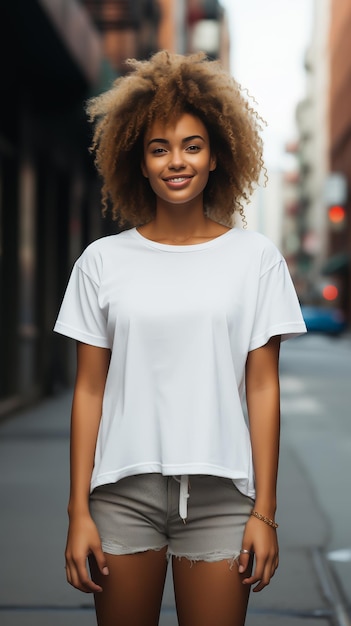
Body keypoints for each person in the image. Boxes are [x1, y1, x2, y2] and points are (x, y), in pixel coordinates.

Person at [54, 50, 306, 626]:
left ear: (216, 155)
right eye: (159, 148)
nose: (176, 162)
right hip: (121, 491)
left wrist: (264, 512)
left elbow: (263, 389)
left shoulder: (256, 260)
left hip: (222, 496)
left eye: (192, 146)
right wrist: (78, 513)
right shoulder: (102, 262)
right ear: (138, 162)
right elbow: (89, 391)